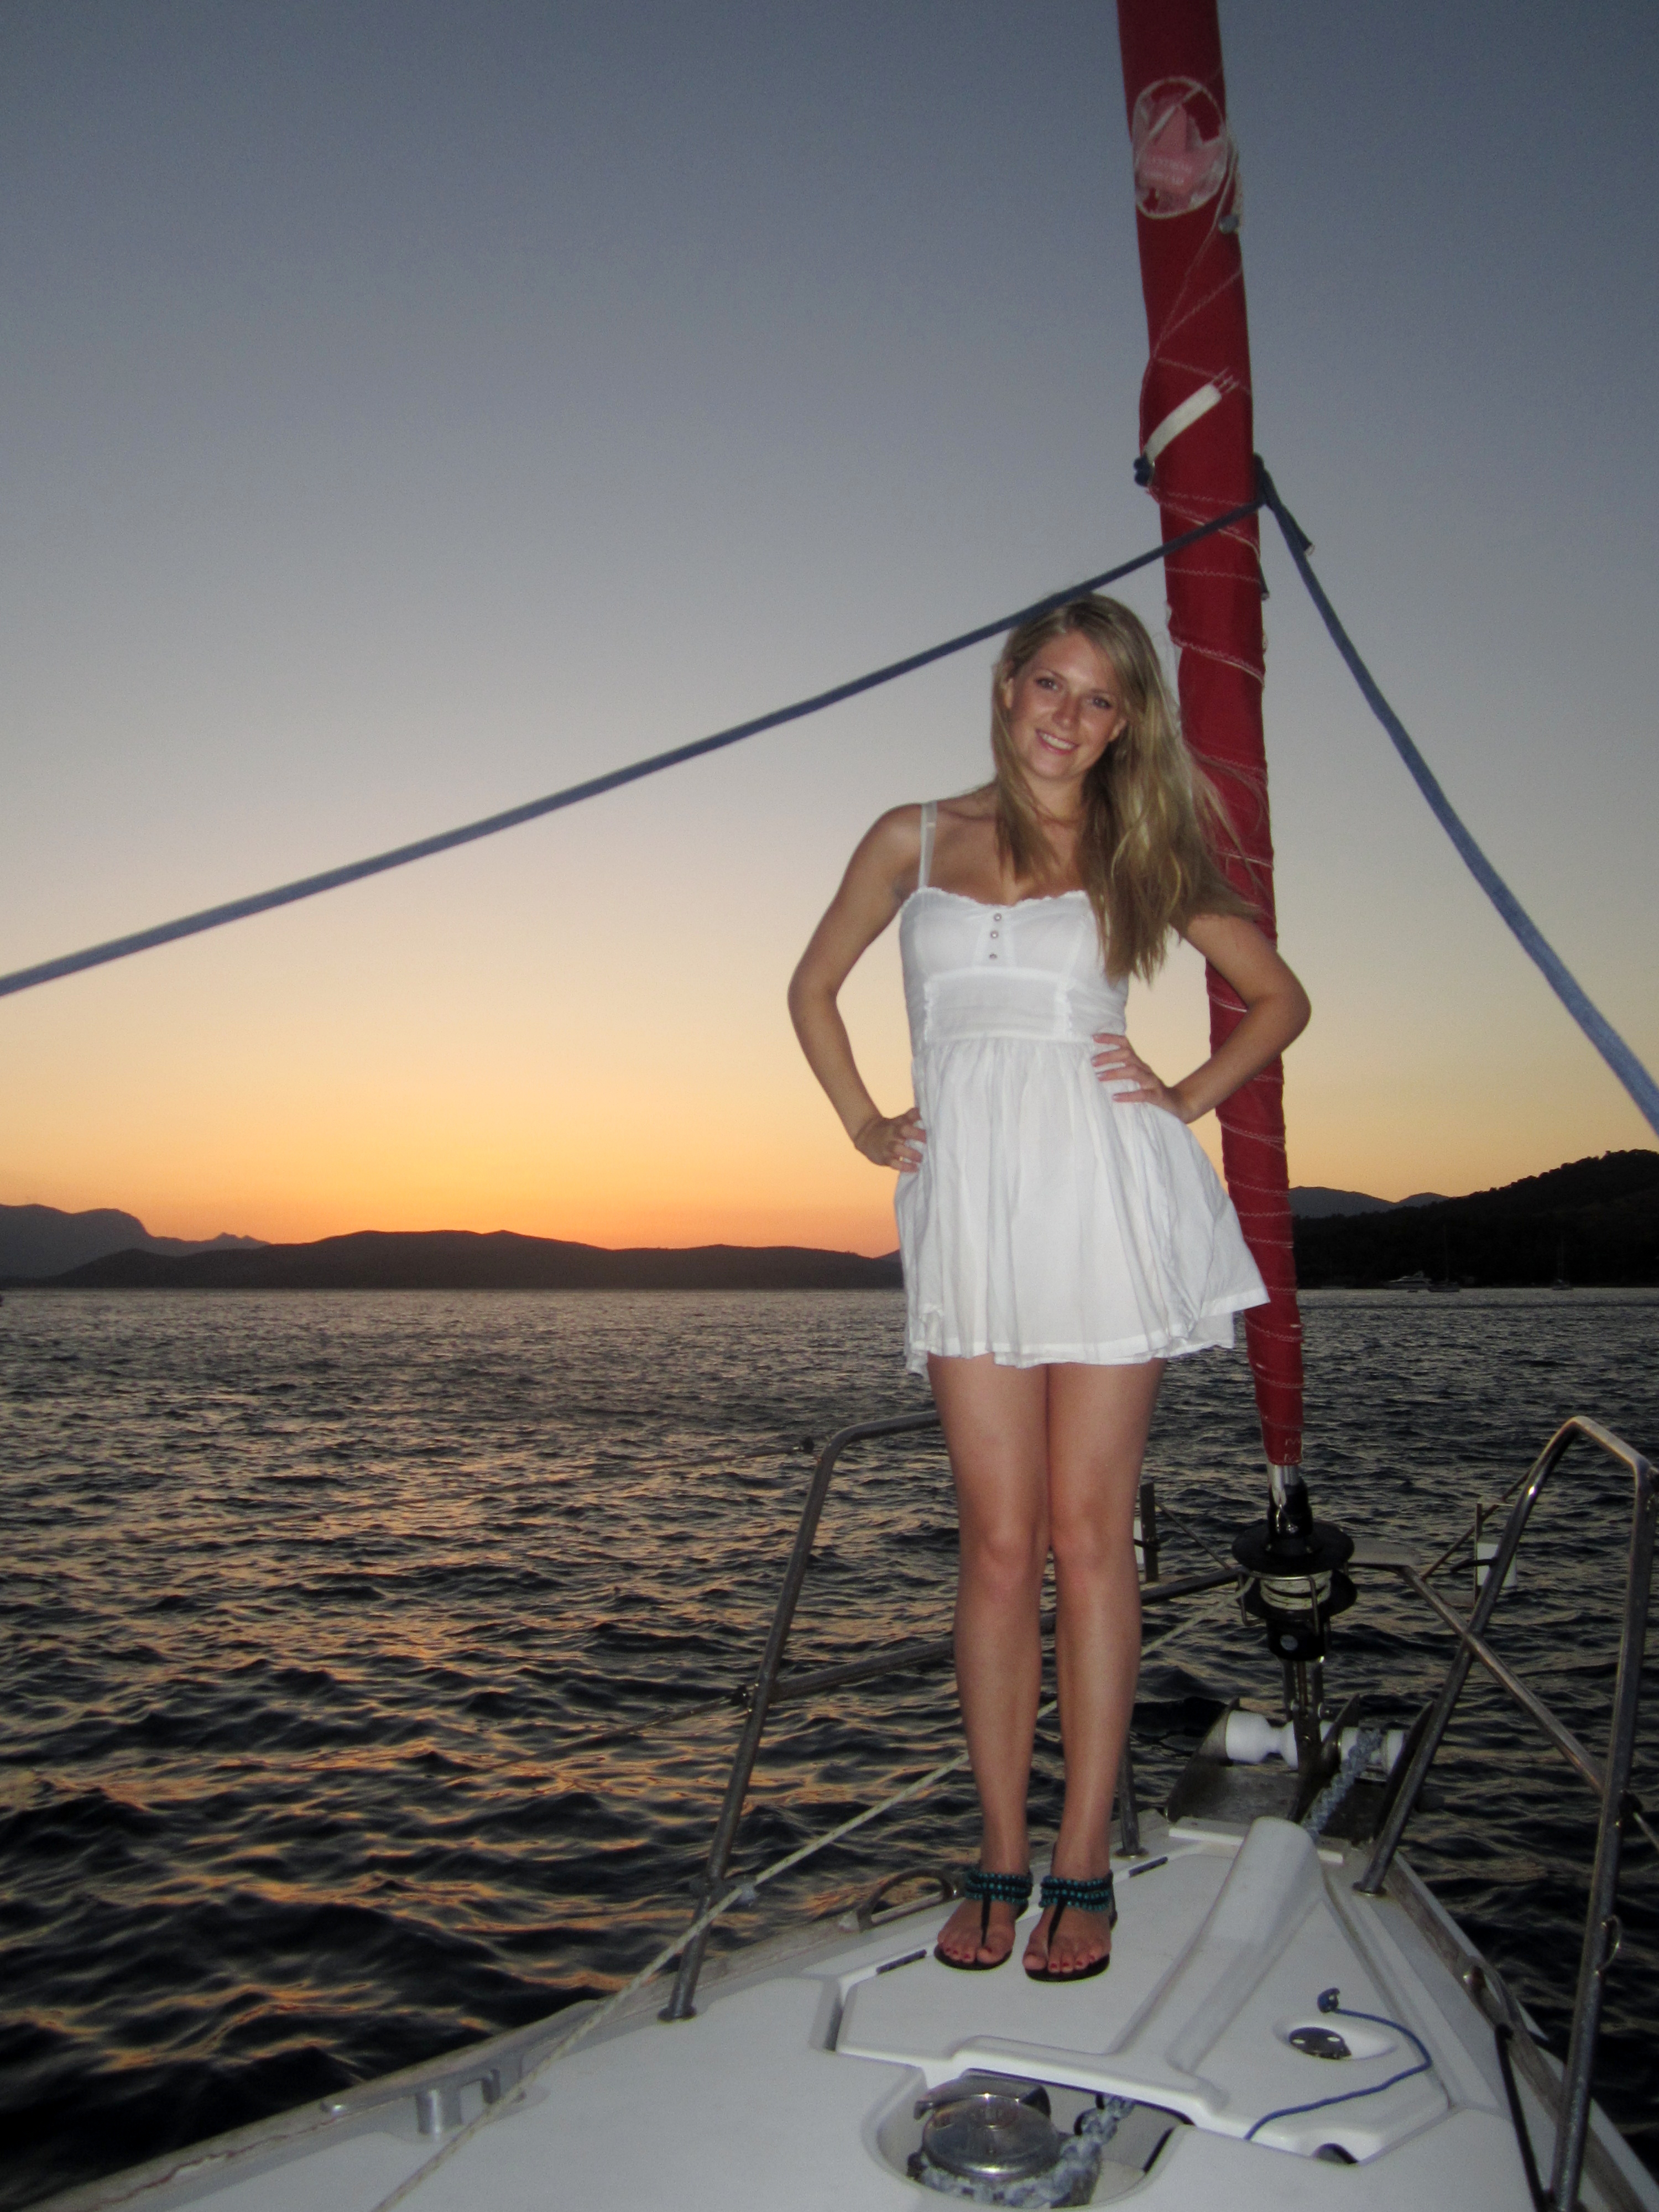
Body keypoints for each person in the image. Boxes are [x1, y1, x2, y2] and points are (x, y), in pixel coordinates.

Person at [787, 596, 1309, 1981]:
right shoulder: (909, 837)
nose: (1068, 717)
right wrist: (864, 1121)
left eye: (1100, 698)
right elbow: (812, 987)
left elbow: (1279, 997)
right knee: (998, 1544)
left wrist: (1181, 1096)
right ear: (1007, 686)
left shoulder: (1141, 847)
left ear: (1126, 722)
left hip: (1099, 1192)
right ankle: (1000, 1847)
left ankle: (1083, 1856)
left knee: (1089, 1534)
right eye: (1051, 685)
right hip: (969, 1206)